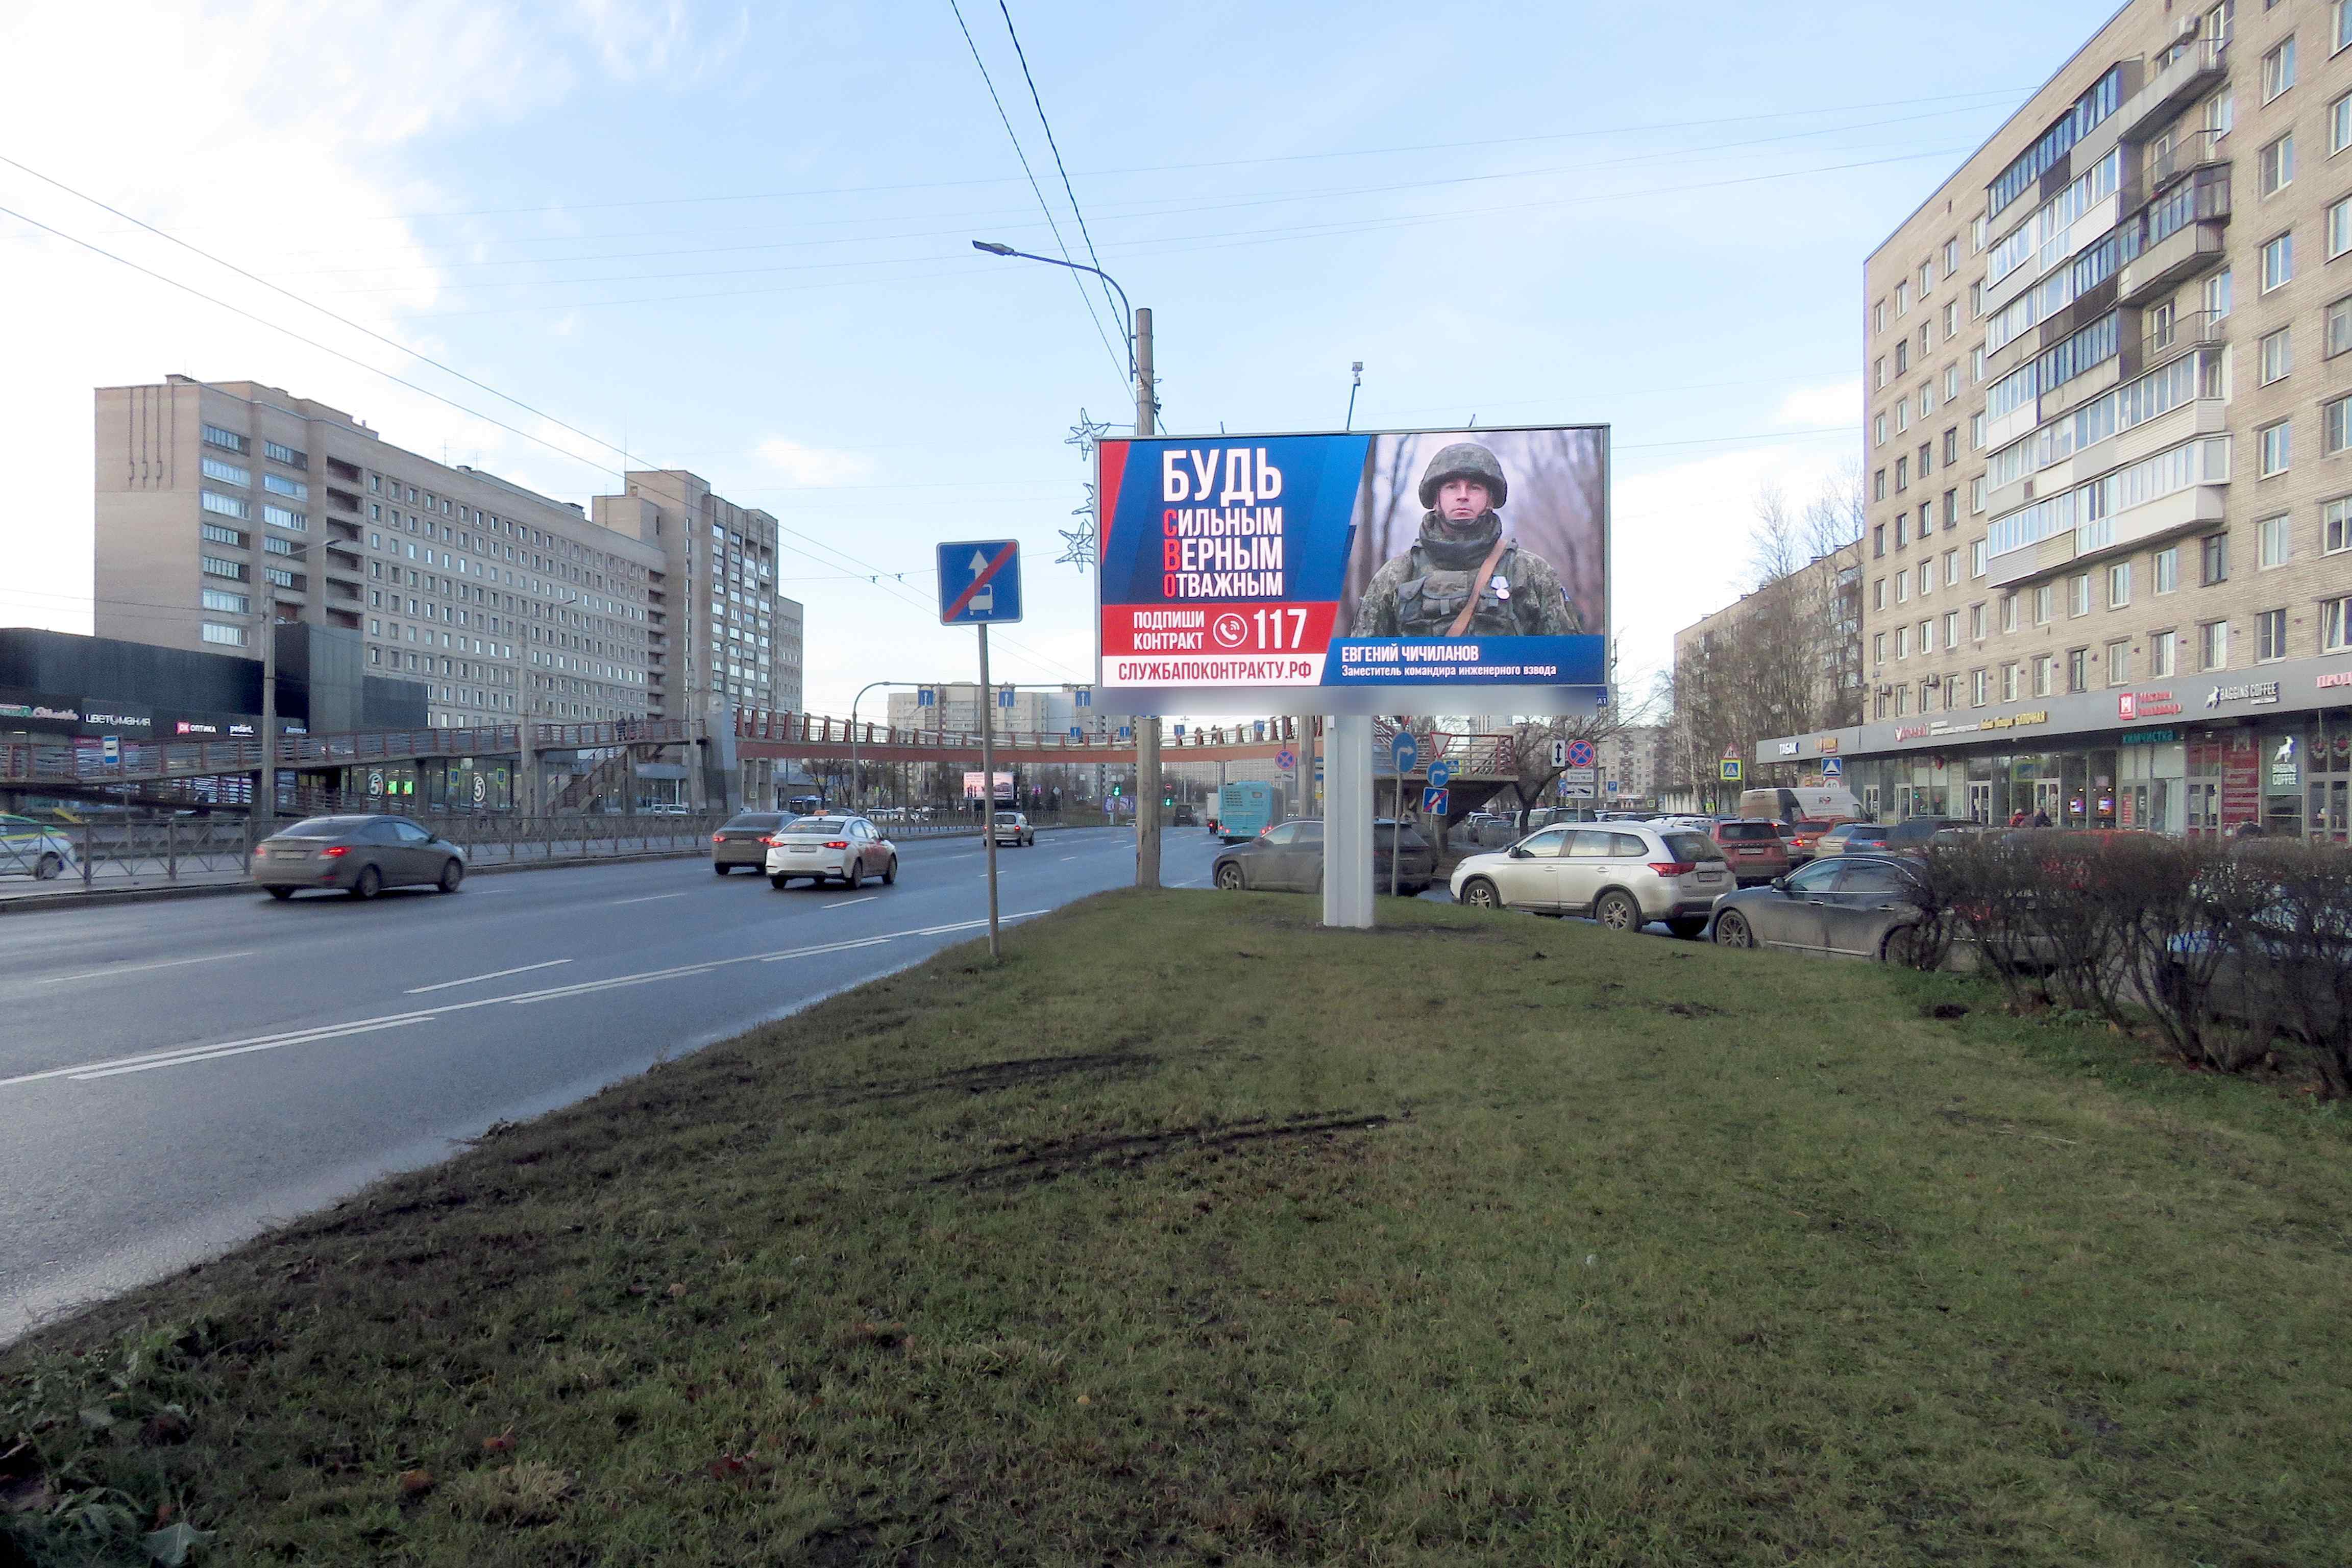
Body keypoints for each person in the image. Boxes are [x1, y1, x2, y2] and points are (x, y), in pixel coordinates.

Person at [1351, 443, 1584, 637]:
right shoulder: (1397, 575)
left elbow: (1568, 659)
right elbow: (1360, 663)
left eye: (1474, 488)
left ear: (1490, 499)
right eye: (1452, 487)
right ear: (1436, 500)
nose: (1463, 496)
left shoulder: (1530, 572)